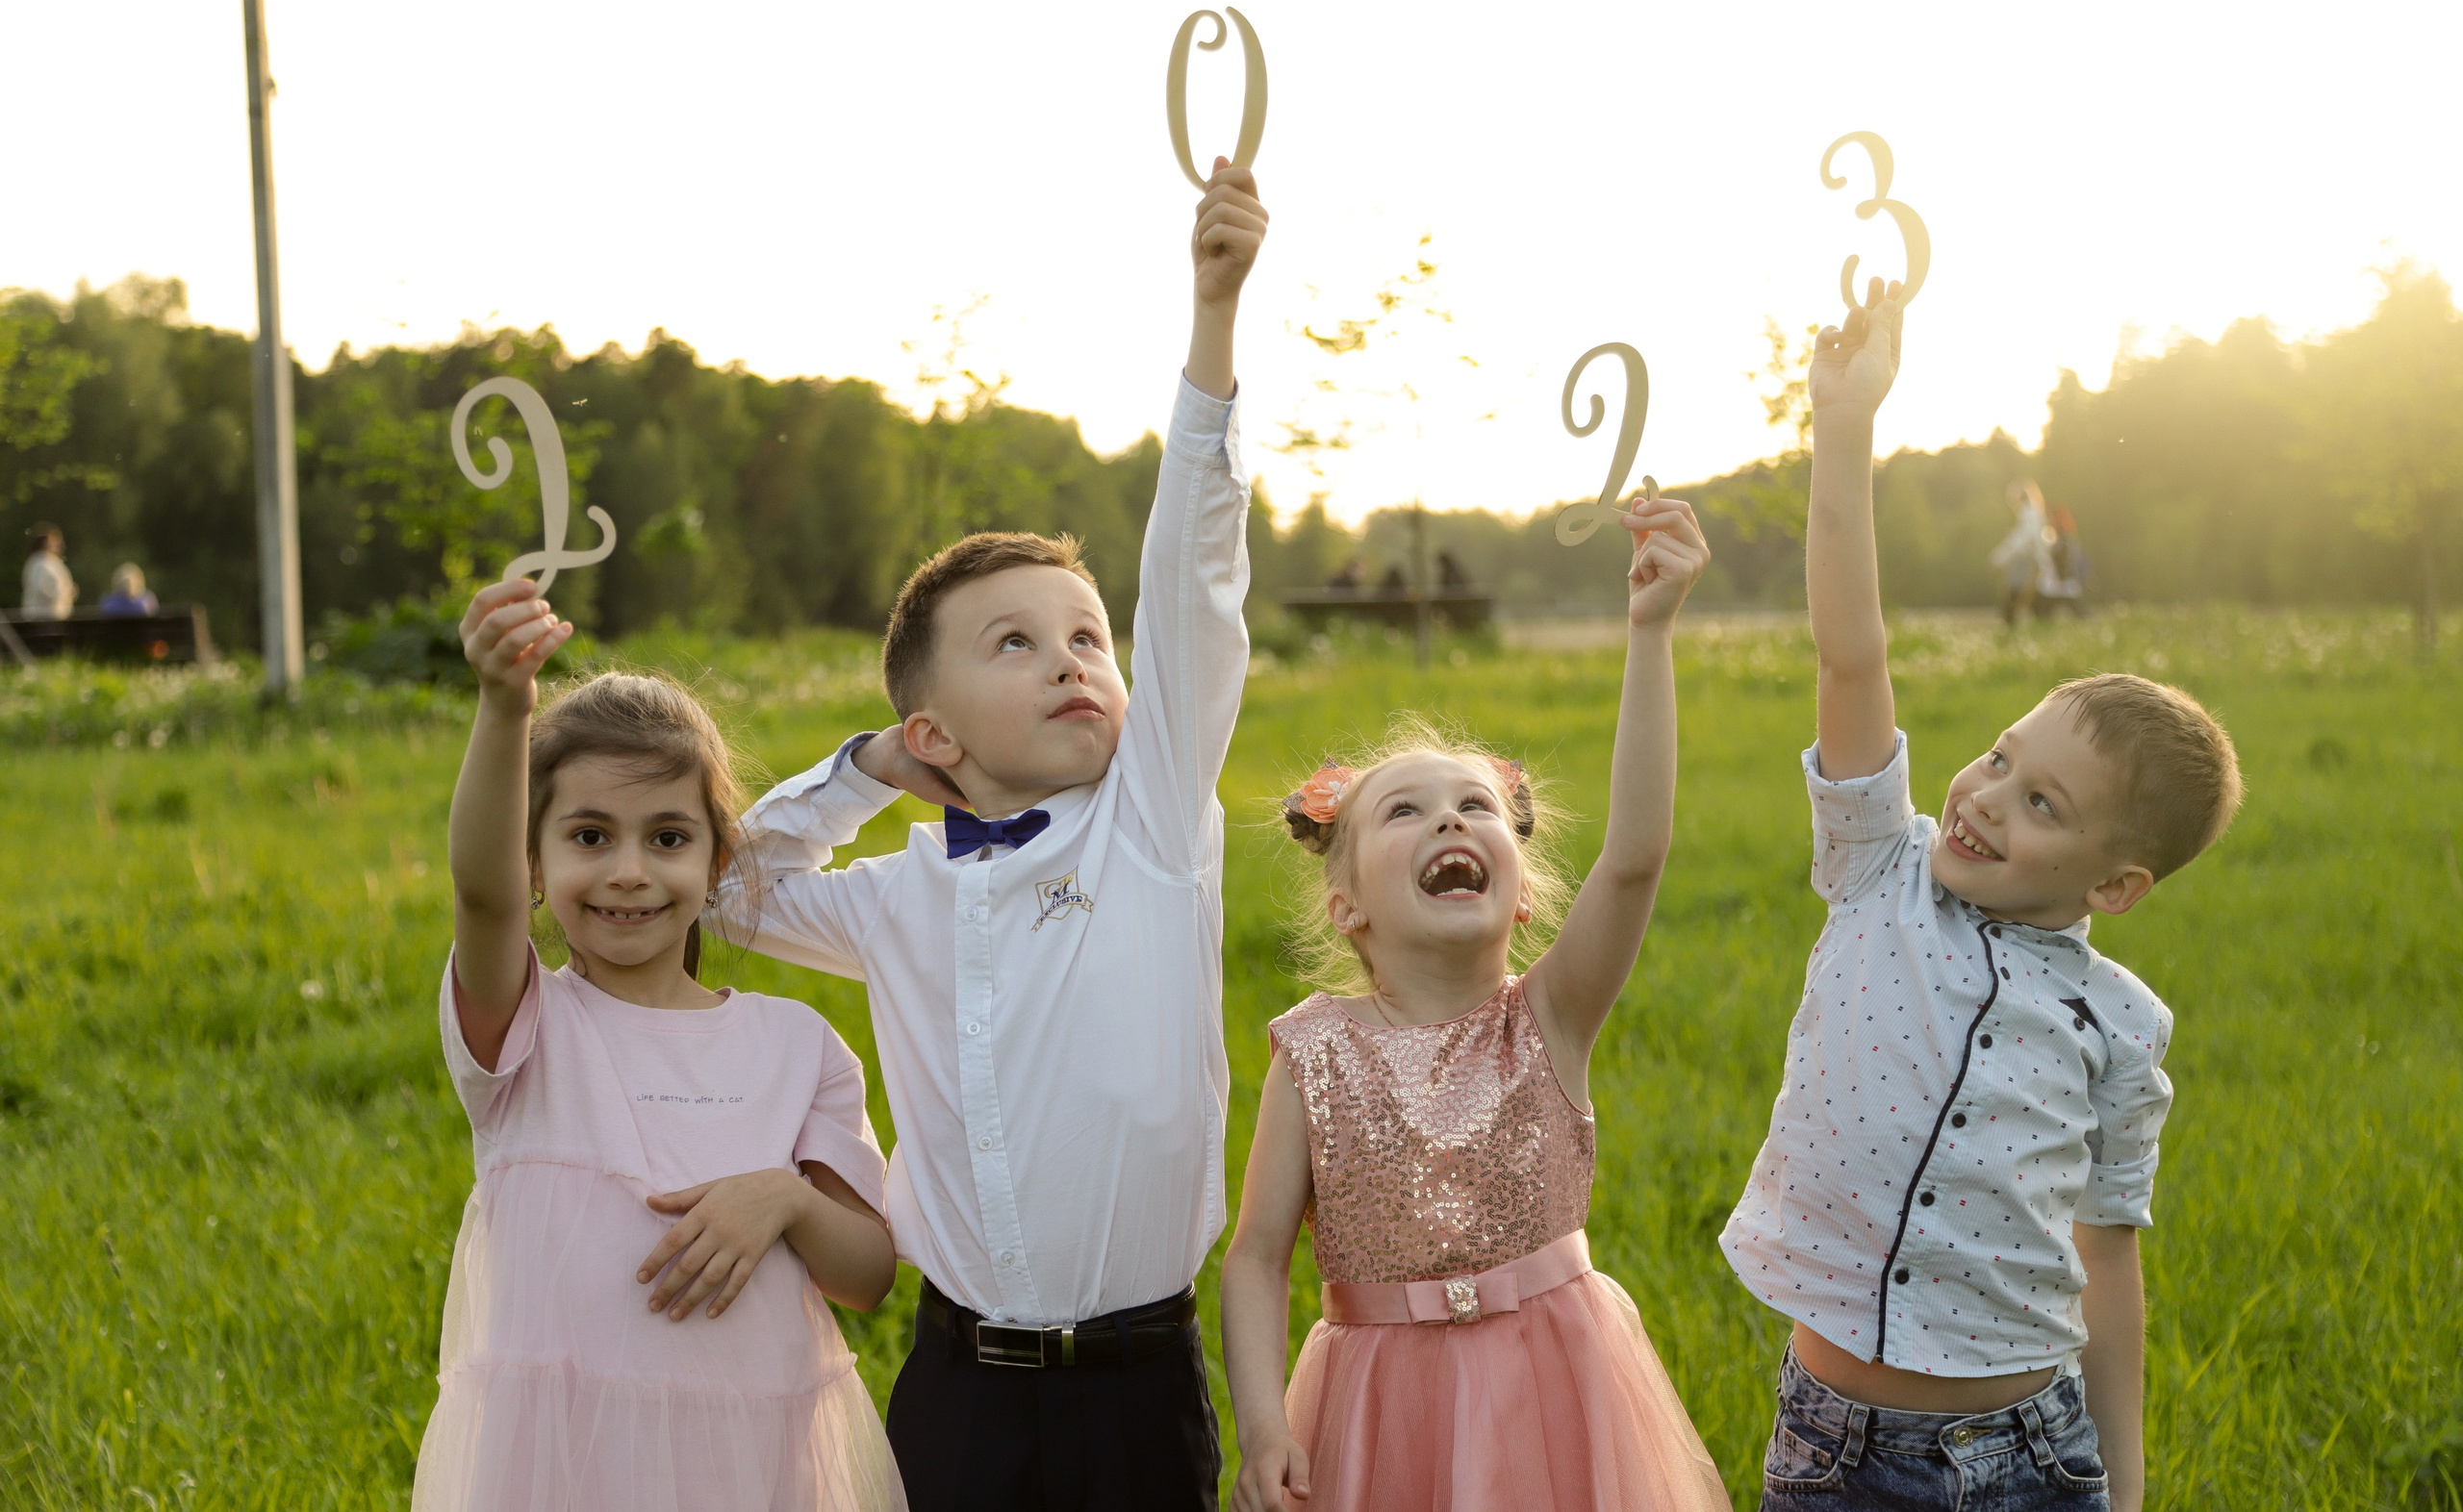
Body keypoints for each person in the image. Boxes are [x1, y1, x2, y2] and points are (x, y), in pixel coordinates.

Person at [716, 158, 1269, 1511]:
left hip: (1142, 1384)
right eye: (1015, 642)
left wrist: (1212, 324)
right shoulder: (895, 895)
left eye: (1087, 634)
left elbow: (1195, 577)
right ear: (937, 731)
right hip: (953, 1382)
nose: (1075, 659)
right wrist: (864, 769)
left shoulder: (1151, 825)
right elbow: (730, 889)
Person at [1720, 280, 2244, 1512]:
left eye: (2043, 804)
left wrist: (2120, 1484)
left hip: (2029, 1455)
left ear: (2115, 886)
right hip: (1835, 1449)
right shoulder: (1878, 868)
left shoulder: (2122, 1029)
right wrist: (1842, 427)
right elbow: (1853, 648)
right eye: (2000, 756)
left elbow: (2106, 1268)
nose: (1988, 796)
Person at [1220, 495, 1728, 1512]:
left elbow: (1633, 858)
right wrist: (1267, 1420)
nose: (1448, 816)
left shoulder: (1548, 1019)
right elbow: (1256, 1255)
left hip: (1558, 1390)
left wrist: (1650, 630)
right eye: (1404, 811)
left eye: (1474, 807)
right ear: (1348, 902)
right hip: (1376, 1407)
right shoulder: (1311, 1053)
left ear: (1522, 889)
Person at [416, 599, 903, 1512]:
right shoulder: (528, 1027)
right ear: (534, 860)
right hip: (561, 1470)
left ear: (720, 861)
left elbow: (868, 1276)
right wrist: (502, 705)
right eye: (589, 836)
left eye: (668, 838)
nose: (630, 870)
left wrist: (786, 1196)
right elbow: (479, 897)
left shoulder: (797, 1046)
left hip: (754, 1466)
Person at [1991, 483, 2052, 625]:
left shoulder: (2028, 515)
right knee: (2030, 594)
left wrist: (1999, 558)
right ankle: (2039, 621)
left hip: (2027, 559)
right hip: (2032, 559)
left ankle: (2010, 621)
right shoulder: (2034, 514)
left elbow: (2021, 540)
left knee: (2016, 591)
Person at [20, 523, 74, 617]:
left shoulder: (51, 561)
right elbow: (42, 588)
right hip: (42, 616)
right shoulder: (39, 562)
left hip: (54, 616)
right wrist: (63, 594)